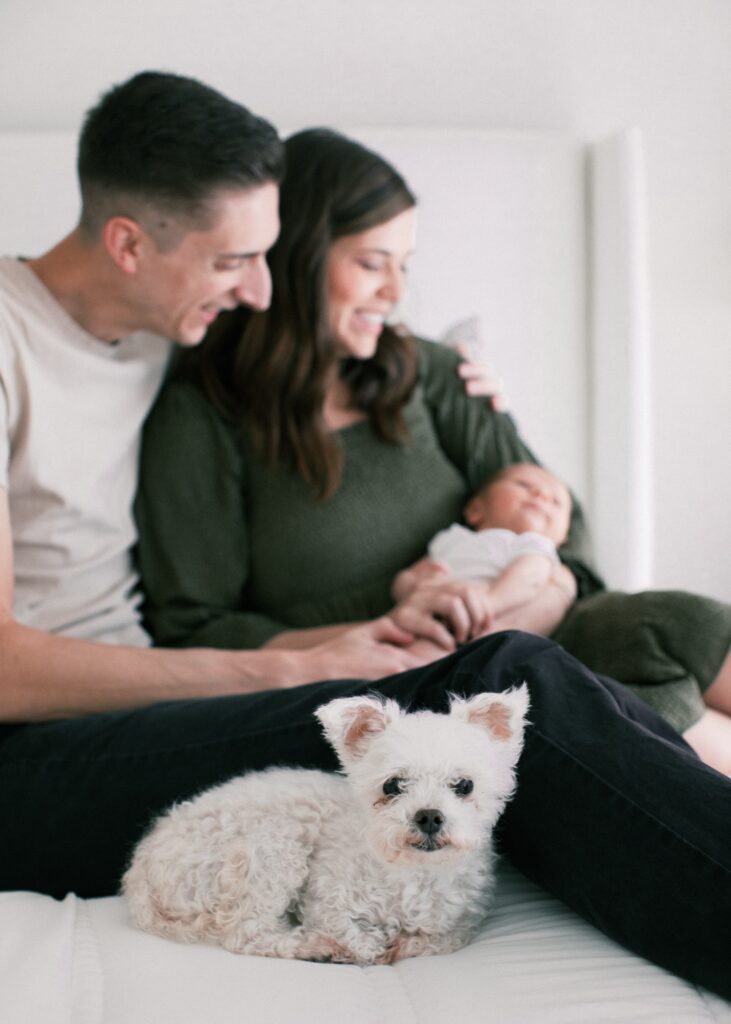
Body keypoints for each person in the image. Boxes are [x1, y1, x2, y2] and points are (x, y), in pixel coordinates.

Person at [0, 86, 729, 1001]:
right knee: (500, 680)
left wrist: (460, 387)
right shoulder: (39, 350)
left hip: (140, 715)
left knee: (610, 653)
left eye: (267, 256)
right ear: (127, 244)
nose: (260, 290)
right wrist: (293, 665)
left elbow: (320, 354)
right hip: (32, 758)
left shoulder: (162, 329)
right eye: (234, 260)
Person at [136, 128, 731, 772]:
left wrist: (533, 598)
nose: (396, 292)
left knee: (677, 625)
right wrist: (387, 624)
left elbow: (559, 525)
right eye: (372, 263)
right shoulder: (203, 418)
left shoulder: (431, 372)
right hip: (401, 684)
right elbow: (197, 630)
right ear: (296, 259)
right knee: (629, 706)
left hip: (536, 624)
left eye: (404, 265)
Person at [391, 462, 577, 637]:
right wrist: (416, 587)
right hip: (427, 616)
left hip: (481, 620)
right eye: (524, 485)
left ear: (562, 538)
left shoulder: (536, 546)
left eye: (556, 502)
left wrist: (490, 602)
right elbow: (407, 577)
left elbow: (530, 579)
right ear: (475, 509)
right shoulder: (452, 538)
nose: (541, 494)